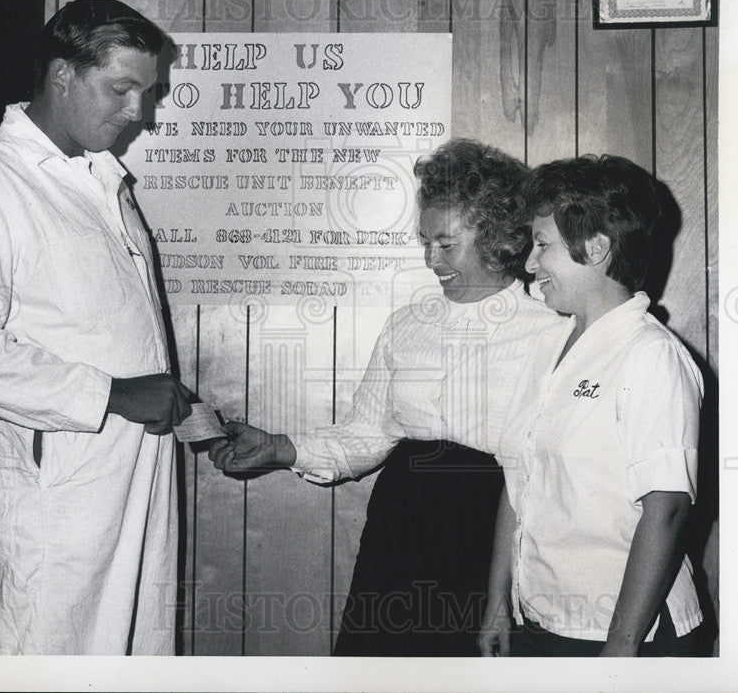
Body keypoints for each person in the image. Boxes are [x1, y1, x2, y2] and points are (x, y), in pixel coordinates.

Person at [208, 139, 566, 655]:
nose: (429, 259)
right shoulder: (406, 327)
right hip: (401, 528)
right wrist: (278, 447)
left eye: (446, 244)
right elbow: (365, 435)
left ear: (499, 239)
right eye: (424, 242)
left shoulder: (551, 332)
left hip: (492, 535)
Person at [0, 0, 192, 655]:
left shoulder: (103, 179)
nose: (137, 112)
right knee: (41, 659)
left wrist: (181, 411)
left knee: (136, 658)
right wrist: (116, 396)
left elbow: (100, 330)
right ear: (62, 74)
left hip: (137, 480)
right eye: (122, 89)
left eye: (145, 92)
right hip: (54, 492)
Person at [478, 155, 708, 657]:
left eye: (543, 246)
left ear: (596, 247)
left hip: (629, 634)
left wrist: (620, 648)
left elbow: (666, 510)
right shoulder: (547, 346)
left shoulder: (651, 356)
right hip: (543, 618)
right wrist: (498, 599)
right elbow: (518, 476)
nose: (531, 264)